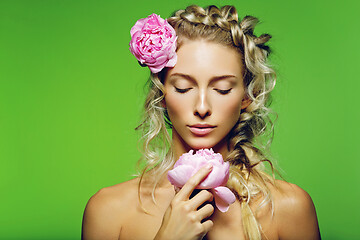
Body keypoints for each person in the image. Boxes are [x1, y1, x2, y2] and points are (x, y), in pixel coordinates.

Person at [82, 5, 321, 240]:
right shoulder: (109, 211)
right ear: (162, 94)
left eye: (222, 89)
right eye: (183, 88)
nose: (202, 107)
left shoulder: (289, 208)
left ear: (247, 96)